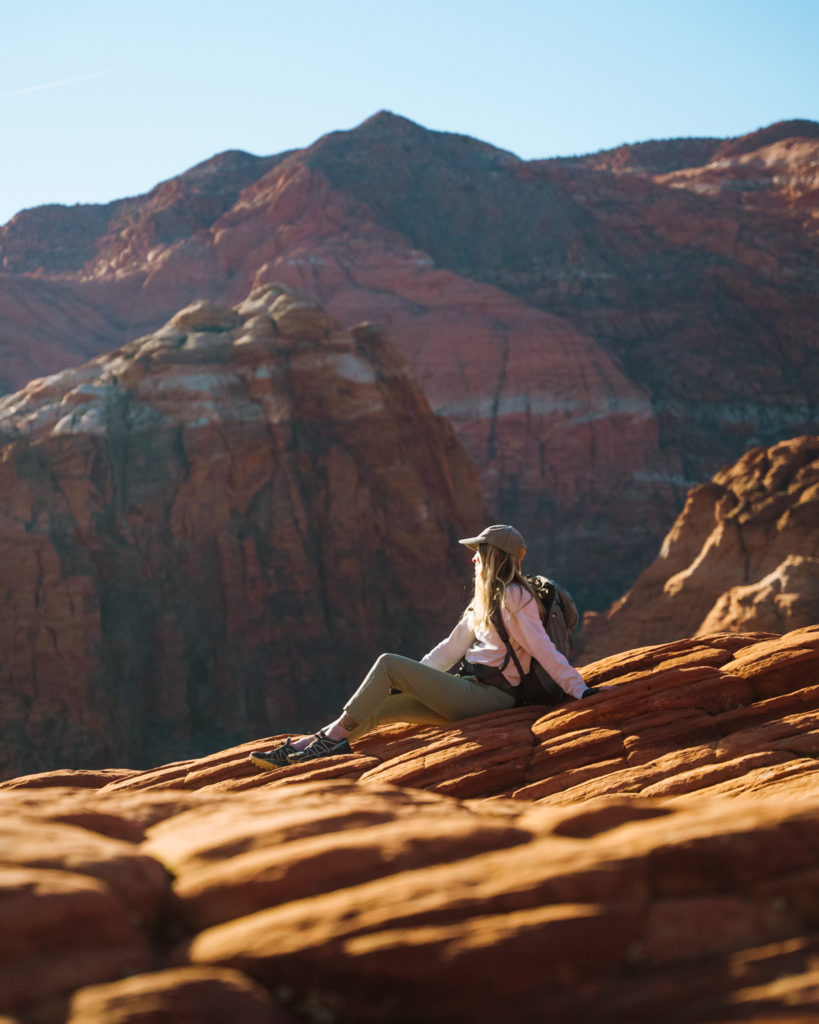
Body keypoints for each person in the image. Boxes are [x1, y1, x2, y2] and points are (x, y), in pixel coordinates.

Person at [249, 524, 596, 770]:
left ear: (493, 556)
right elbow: (449, 649)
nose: (473, 558)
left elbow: (544, 649)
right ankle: (312, 744)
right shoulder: (485, 597)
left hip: (493, 698)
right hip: (469, 689)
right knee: (383, 704)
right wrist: (409, 679)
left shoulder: (515, 597)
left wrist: (580, 690)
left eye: (478, 552)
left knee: (387, 663)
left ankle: (328, 743)